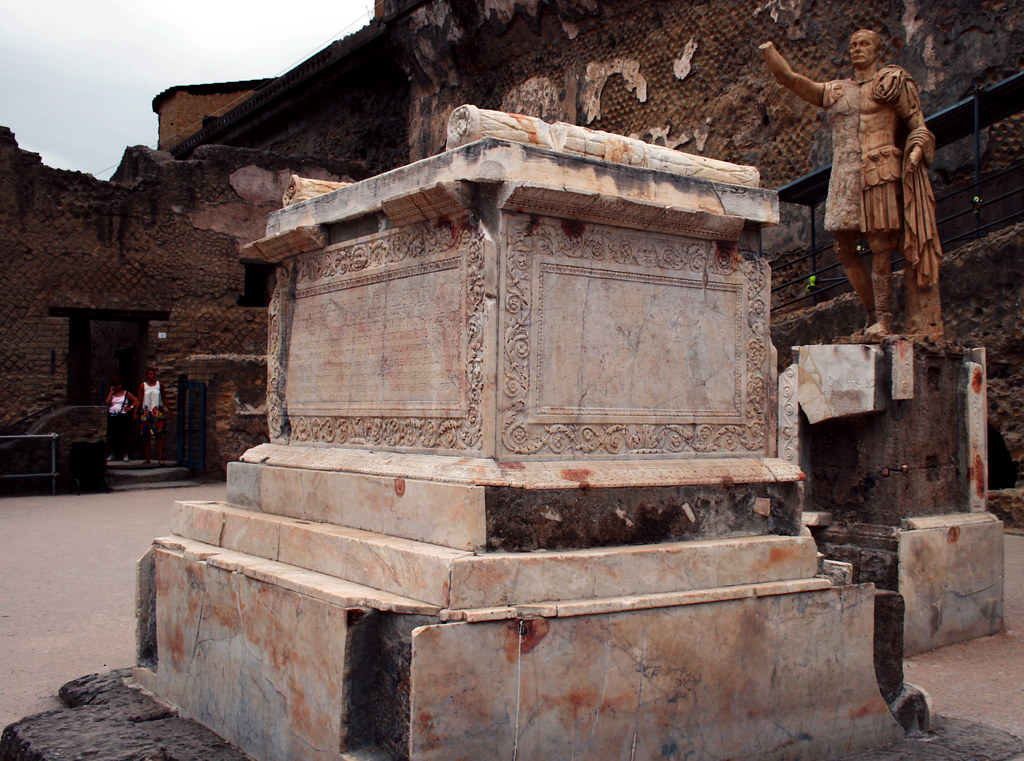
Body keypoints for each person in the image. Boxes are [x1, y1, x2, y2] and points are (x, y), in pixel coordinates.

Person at [760, 30, 943, 340]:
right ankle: (872, 312)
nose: (857, 49)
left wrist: (917, 148)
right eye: (853, 44)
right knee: (844, 247)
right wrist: (769, 53)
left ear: (876, 50)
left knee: (880, 247)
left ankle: (883, 320)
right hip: (845, 174)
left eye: (864, 44)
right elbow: (793, 81)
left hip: (880, 168)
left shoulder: (891, 84)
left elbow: (918, 125)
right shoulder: (838, 91)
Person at [137, 368, 169, 466]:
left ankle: (160, 459)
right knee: (147, 436)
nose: (152, 376)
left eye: (153, 374)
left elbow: (164, 397)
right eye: (150, 374)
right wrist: (135, 411)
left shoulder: (160, 385)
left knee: (159, 436)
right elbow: (139, 399)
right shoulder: (143, 386)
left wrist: (169, 408)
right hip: (147, 412)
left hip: (157, 412)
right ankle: (147, 459)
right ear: (147, 376)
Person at [105, 377, 137, 462]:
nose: (118, 386)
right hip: (112, 415)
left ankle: (125, 454)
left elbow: (136, 400)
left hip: (122, 415)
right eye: (116, 385)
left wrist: (130, 407)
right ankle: (112, 453)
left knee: (123, 435)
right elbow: (107, 403)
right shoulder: (112, 394)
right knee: (112, 435)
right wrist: (111, 393)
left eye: (120, 384)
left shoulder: (126, 393)